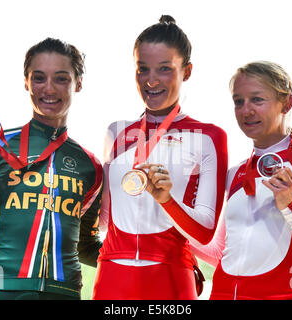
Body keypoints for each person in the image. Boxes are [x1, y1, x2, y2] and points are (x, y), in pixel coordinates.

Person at [0, 38, 103, 300]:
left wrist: (144, 260)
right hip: (1, 289)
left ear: (79, 83)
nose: (49, 89)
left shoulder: (91, 166)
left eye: (61, 79)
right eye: (39, 78)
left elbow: (86, 246)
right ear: (26, 82)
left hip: (64, 293)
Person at [92, 15, 228, 300]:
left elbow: (204, 232)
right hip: (112, 276)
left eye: (164, 69)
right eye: (143, 69)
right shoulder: (116, 133)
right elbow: (104, 221)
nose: (151, 81)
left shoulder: (208, 137)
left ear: (187, 71)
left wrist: (166, 199)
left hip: (170, 276)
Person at [192, 61, 292, 300]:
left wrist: (290, 206)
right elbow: (221, 254)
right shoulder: (235, 174)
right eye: (238, 101)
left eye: (257, 99)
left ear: (287, 103)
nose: (246, 111)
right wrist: (168, 213)